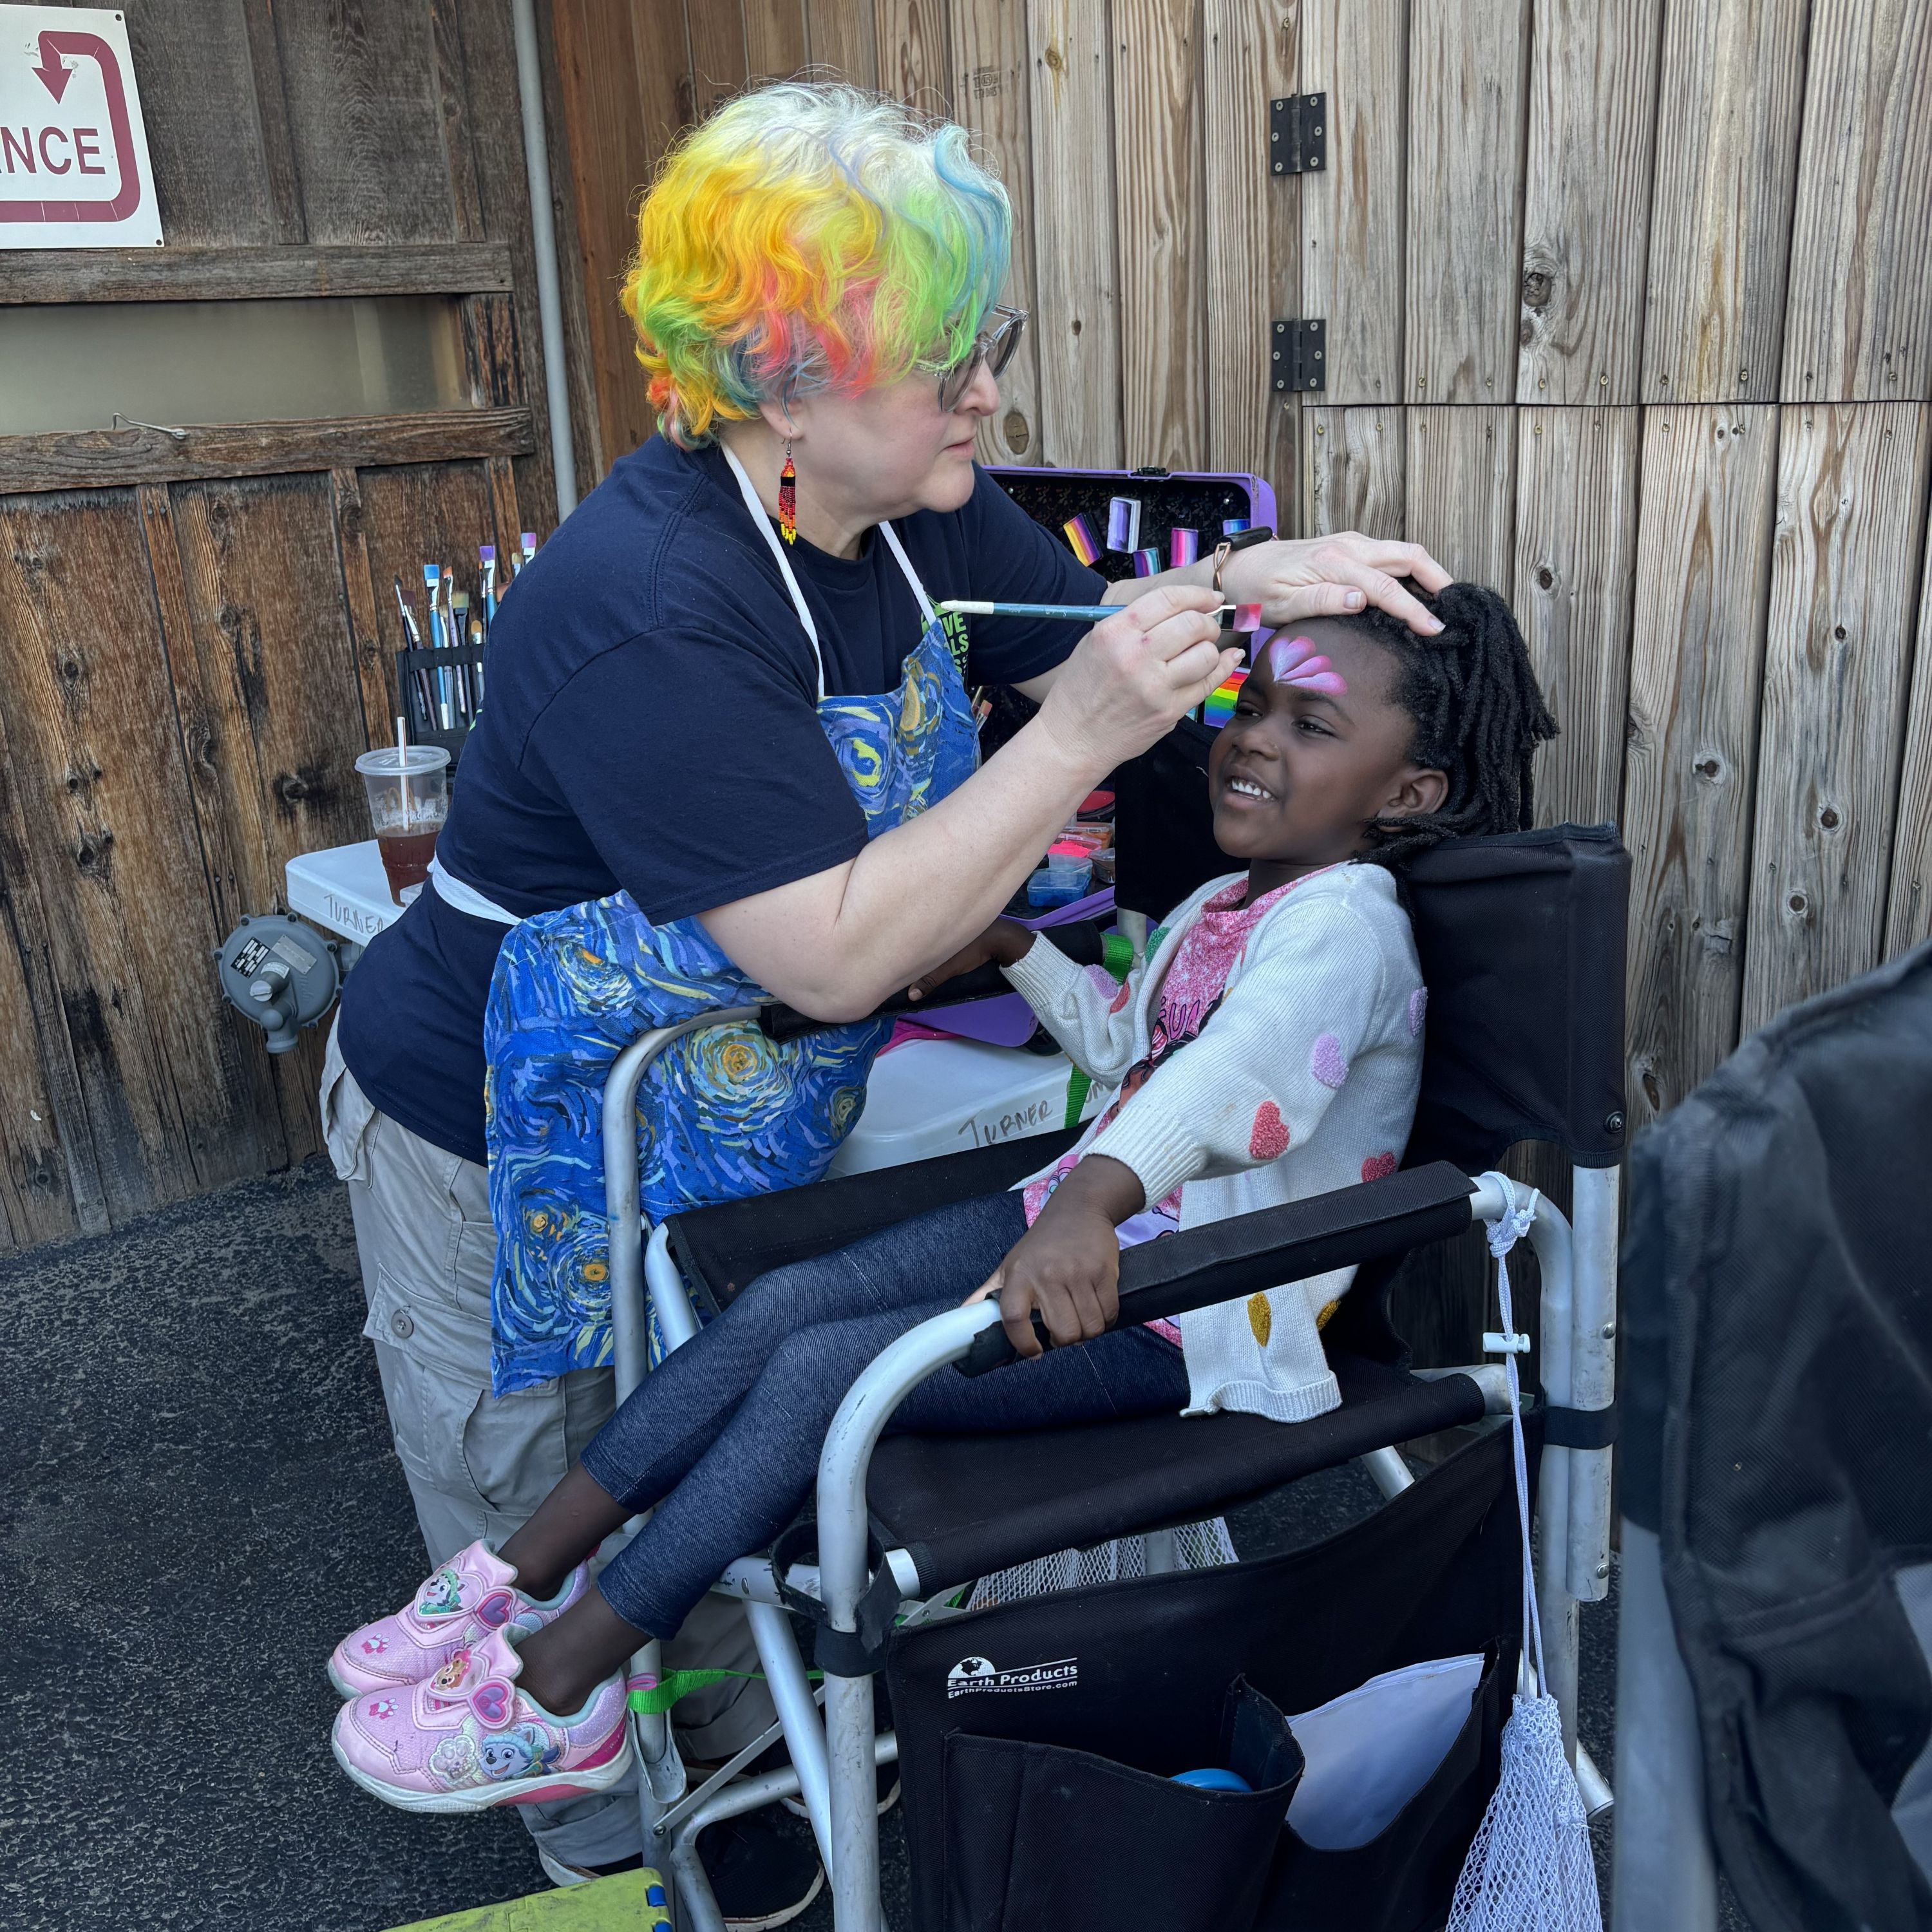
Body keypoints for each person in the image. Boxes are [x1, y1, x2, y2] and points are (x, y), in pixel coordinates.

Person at [321, 77, 1453, 1909]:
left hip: (739, 1111)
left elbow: (1079, 630)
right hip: (500, 1132)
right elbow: (841, 947)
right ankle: (597, 1837)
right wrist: (1085, 732)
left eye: (983, 346)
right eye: (949, 362)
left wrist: (1254, 575)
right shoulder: (657, 601)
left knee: (723, 1434)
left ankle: (687, 1741)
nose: (990, 394)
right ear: (783, 391)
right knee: (521, 1465)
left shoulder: (921, 518)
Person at [327, 583, 1558, 1821]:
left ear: (1411, 795)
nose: (1251, 738)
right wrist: (1016, 950)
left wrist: (1093, 1200)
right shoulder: (1234, 903)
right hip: (1096, 1231)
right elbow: (1138, 1046)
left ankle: (564, 1690)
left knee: (821, 1374)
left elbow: (1240, 1086)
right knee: (783, 1307)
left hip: (1201, 1314)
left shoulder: (1348, 928)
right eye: (1255, 705)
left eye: (1313, 727)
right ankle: (518, 1573)